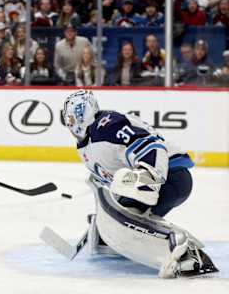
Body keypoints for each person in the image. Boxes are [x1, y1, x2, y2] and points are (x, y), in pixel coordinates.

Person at [61, 89, 218, 278]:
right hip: (161, 180)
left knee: (131, 211)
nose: (69, 125)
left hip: (171, 176)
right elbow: (107, 182)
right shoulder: (86, 145)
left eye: (71, 119)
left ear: (82, 113)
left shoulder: (108, 125)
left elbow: (150, 145)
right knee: (130, 214)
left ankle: (182, 250)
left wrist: (148, 177)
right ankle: (165, 247)